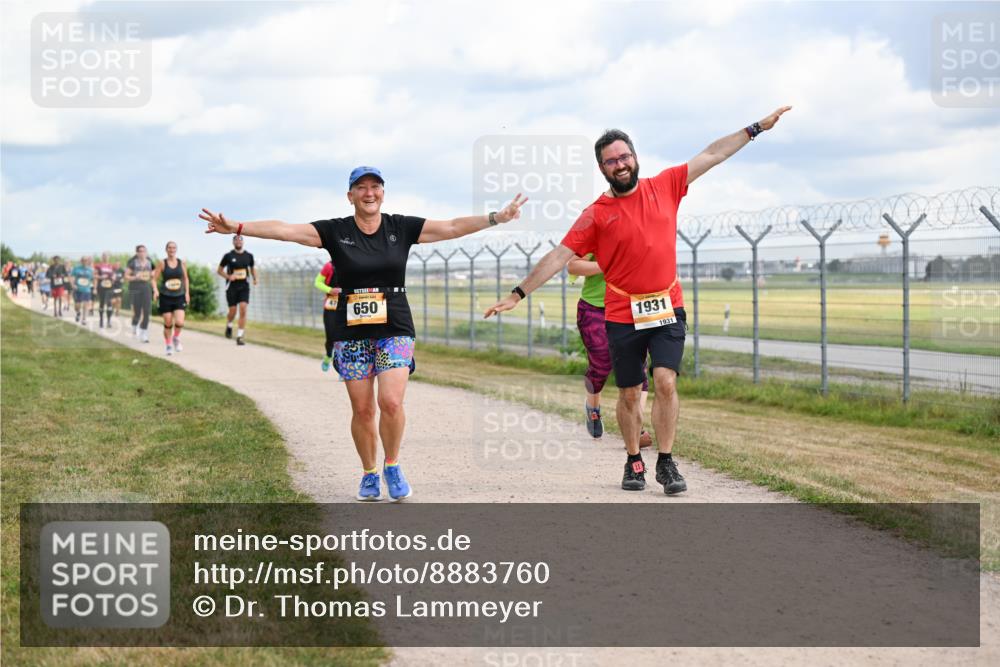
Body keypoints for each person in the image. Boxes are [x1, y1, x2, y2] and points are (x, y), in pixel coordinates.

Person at [486, 106, 792, 495]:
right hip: (621, 312)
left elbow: (712, 154)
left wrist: (755, 128)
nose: (620, 164)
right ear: (602, 169)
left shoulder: (665, 185)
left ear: (635, 156)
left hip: (666, 305)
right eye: (611, 161)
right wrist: (517, 294)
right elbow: (560, 256)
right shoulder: (595, 214)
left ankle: (666, 462)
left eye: (624, 156)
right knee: (630, 392)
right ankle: (633, 460)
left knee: (664, 381)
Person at [200, 166, 527, 502]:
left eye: (376, 186)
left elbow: (452, 227)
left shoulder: (401, 226)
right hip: (351, 330)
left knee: (390, 401)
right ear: (350, 195)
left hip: (395, 325)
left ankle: (393, 465)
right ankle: (369, 472)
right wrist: (238, 227)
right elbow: (285, 230)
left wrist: (496, 217)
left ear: (383, 192)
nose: (369, 193)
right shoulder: (334, 231)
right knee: (363, 409)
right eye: (361, 187)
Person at [568, 253, 653, 448]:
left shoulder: (641, 233)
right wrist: (609, 264)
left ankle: (636, 429)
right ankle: (593, 407)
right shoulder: (598, 232)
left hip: (633, 306)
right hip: (595, 307)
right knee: (601, 365)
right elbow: (573, 266)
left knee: (639, 369)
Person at [217, 235, 257, 345]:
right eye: (236, 240)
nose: (238, 241)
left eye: (240, 239)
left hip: (244, 286)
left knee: (243, 309)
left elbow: (252, 268)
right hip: (232, 287)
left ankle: (240, 336)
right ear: (233, 242)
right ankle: (229, 324)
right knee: (233, 311)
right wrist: (228, 277)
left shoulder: (249, 256)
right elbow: (219, 270)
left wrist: (255, 278)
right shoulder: (228, 256)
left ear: (243, 242)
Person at [153, 241, 190, 356]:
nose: (172, 249)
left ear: (176, 249)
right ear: (166, 249)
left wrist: (187, 293)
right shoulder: (162, 263)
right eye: (169, 247)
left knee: (179, 322)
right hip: (166, 297)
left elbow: (186, 279)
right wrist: (155, 290)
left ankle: (176, 338)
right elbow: (154, 279)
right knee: (168, 323)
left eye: (174, 247)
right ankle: (168, 344)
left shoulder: (181, 263)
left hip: (179, 296)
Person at [314, 260, 342, 372]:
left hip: (347, 304)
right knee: (331, 336)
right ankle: (328, 356)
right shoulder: (329, 266)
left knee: (344, 338)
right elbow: (317, 282)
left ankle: (342, 367)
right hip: (331, 305)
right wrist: (330, 290)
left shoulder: (353, 263)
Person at [126, 245, 156, 342]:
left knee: (147, 311)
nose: (142, 253)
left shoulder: (150, 262)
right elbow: (126, 276)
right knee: (137, 312)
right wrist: (135, 277)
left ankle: (144, 333)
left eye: (144, 251)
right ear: (137, 253)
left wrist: (155, 288)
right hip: (135, 287)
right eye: (140, 251)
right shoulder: (133, 263)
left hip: (146, 287)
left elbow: (153, 275)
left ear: (146, 252)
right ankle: (134, 326)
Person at [94, 252, 116, 328]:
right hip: (101, 287)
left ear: (109, 257)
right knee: (102, 303)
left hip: (110, 287)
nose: (105, 257)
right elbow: (95, 276)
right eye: (104, 256)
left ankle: (109, 321)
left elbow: (114, 275)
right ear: (102, 257)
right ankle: (101, 320)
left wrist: (113, 278)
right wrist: (100, 278)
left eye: (107, 256)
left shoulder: (111, 266)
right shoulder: (98, 266)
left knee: (109, 303)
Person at [71, 256, 95, 325]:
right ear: (81, 261)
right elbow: (72, 277)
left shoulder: (90, 270)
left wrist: (95, 288)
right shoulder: (76, 268)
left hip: (86, 289)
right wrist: (73, 285)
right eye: (83, 260)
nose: (85, 262)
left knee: (85, 304)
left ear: (88, 261)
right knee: (77, 306)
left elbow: (93, 279)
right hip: (78, 289)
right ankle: (78, 312)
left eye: (86, 260)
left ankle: (84, 319)